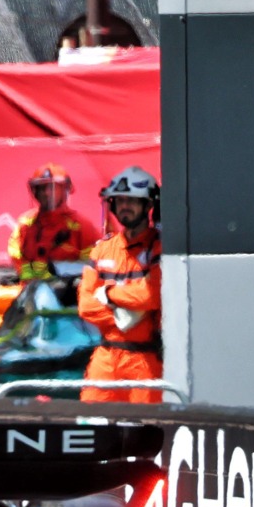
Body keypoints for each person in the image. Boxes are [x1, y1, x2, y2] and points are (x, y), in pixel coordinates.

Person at [77, 166, 162, 403]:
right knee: (90, 424)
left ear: (148, 205)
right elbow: (85, 306)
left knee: (146, 433)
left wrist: (108, 293)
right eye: (120, 200)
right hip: (105, 357)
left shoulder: (158, 247)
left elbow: (151, 296)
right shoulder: (102, 248)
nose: (125, 206)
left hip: (144, 360)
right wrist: (127, 313)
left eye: (133, 200)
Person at [8, 162, 98, 281]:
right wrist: (29, 281)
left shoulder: (82, 227)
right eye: (42, 188)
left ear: (65, 189)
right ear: (35, 191)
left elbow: (92, 267)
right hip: (31, 291)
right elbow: (15, 255)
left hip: (68, 295)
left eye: (53, 188)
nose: (46, 193)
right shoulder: (25, 223)